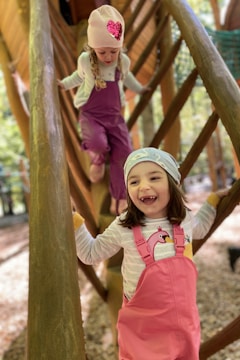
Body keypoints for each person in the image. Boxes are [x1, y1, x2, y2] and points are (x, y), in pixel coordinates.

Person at [72, 147, 228, 359]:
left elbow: (201, 228)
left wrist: (212, 203)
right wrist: (76, 224)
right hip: (143, 328)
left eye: (154, 177)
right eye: (134, 182)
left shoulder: (184, 219)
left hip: (183, 321)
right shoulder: (124, 226)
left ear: (172, 184)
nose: (144, 186)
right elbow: (90, 254)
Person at [58, 5, 149, 215]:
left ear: (120, 48)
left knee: (125, 154)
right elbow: (77, 77)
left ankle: (119, 198)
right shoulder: (86, 62)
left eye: (113, 51)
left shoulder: (122, 62)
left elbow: (130, 79)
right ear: (92, 48)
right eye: (102, 52)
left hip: (115, 117)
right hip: (91, 115)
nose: (108, 56)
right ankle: (97, 160)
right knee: (98, 144)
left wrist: (140, 89)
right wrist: (64, 84)